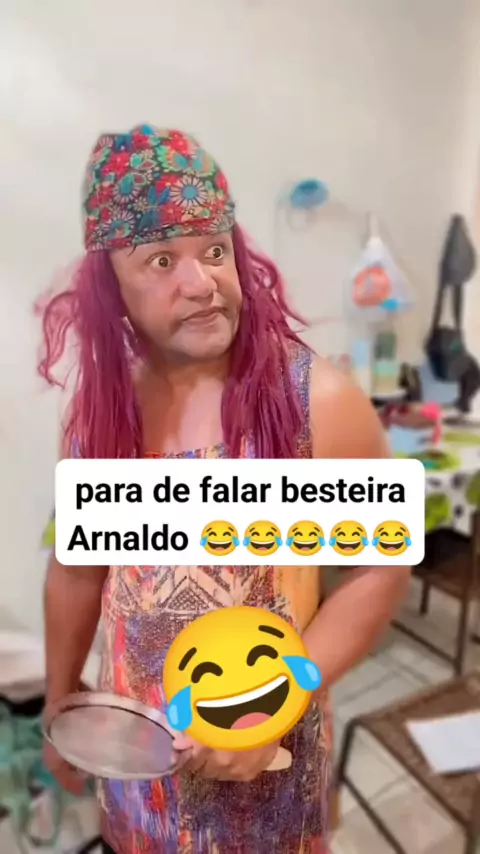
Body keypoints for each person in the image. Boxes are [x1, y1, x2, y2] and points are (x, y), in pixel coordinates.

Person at [38, 125, 411, 854]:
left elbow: (380, 569)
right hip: (140, 774)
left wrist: (284, 699)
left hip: (268, 774)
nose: (202, 282)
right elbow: (78, 570)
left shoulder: (317, 402)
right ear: (110, 288)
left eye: (214, 251)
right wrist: (60, 701)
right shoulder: (99, 417)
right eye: (161, 261)